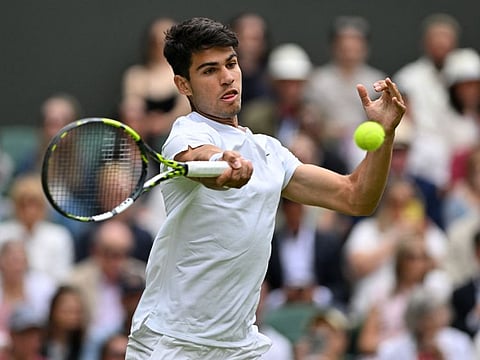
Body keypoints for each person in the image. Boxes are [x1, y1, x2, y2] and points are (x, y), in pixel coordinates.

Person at [126, 17, 405, 360]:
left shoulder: (271, 153)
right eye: (209, 71)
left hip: (240, 345)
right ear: (183, 84)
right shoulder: (185, 134)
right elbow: (203, 159)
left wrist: (385, 135)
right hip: (172, 342)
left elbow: (356, 197)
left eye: (231, 64)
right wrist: (224, 165)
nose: (227, 76)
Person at [305, 15, 386, 171]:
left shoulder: (376, 80)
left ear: (365, 48)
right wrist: (326, 130)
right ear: (334, 47)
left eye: (355, 46)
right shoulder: (319, 80)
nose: (350, 51)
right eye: (345, 45)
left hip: (366, 141)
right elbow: (311, 117)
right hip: (327, 144)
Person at [393, 13, 461, 195]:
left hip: (459, 149)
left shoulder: (465, 75)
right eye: (435, 38)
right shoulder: (408, 77)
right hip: (421, 149)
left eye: (446, 38)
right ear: (425, 42)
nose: (441, 43)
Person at [66, 220, 145, 360]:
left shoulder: (141, 278)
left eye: (122, 253)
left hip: (129, 345)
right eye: (109, 253)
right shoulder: (76, 280)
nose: (116, 261)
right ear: (95, 250)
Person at [0, 174, 74, 284]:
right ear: (15, 207)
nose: (30, 211)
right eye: (23, 204)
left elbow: (62, 278)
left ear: (43, 207)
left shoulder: (59, 237)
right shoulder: (2, 233)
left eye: (34, 204)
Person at [41, 285, 88, 360]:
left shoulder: (86, 345)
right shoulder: (39, 342)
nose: (73, 316)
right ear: (53, 310)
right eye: (68, 310)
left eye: (77, 311)